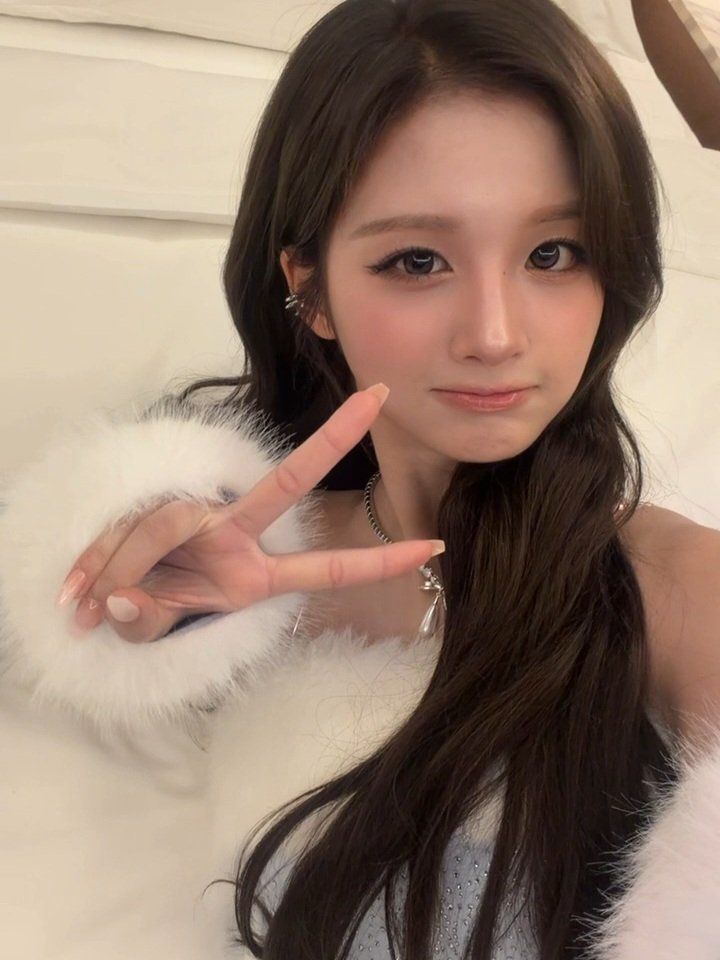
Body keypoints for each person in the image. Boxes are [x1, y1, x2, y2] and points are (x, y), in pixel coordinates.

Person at [1, 0, 719, 958]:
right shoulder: (244, 577)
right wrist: (121, 612)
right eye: (418, 260)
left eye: (553, 253)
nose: (495, 333)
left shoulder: (668, 582)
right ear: (309, 289)